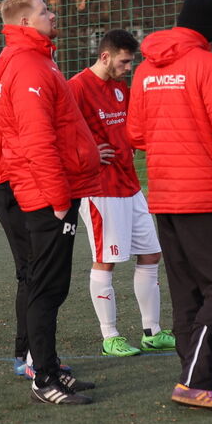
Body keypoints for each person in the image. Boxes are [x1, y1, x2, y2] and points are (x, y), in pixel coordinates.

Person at [127, 0, 212, 412]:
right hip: (208, 195)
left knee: (188, 295)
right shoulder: (209, 64)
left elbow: (136, 134)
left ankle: (196, 379)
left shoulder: (145, 69)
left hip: (165, 195)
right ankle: (195, 379)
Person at [0, 0, 102, 404]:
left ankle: (48, 368)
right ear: (25, 22)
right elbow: (37, 141)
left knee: (49, 284)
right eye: (44, 9)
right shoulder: (28, 67)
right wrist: (58, 199)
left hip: (49, 190)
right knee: (44, 286)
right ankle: (43, 379)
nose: (53, 13)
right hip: (45, 194)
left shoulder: (38, 60)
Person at [68, 29, 174, 358]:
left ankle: (152, 331)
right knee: (107, 261)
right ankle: (110, 335)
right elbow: (59, 129)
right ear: (105, 57)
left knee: (151, 254)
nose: (128, 67)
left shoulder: (119, 87)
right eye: (124, 62)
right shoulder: (76, 87)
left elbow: (125, 125)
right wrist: (85, 154)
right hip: (99, 188)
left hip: (129, 184)